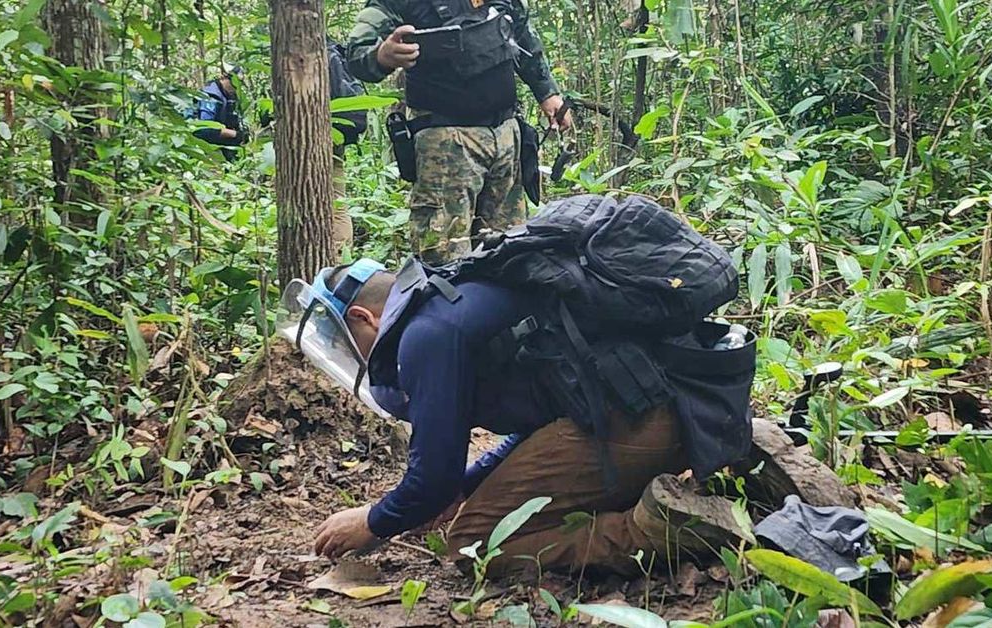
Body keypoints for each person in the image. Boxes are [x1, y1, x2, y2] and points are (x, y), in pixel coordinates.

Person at [308, 258, 756, 577]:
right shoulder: (456, 298)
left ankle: (662, 529)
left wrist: (373, 521)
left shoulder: (425, 337)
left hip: (639, 419)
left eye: (345, 341)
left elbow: (432, 481)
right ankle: (715, 469)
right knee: (487, 507)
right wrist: (469, 485)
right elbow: (539, 416)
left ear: (362, 317)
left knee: (476, 543)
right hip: (682, 404)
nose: (353, 355)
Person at [346, 0, 573, 264]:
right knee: (443, 259)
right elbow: (356, 53)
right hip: (446, 143)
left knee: (510, 251)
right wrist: (382, 56)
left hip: (506, 136)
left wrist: (547, 93)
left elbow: (521, 35)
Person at [327, 39, 369, 257]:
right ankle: (341, 256)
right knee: (337, 204)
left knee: (335, 205)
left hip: (325, 136)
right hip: (338, 137)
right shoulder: (335, 53)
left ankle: (338, 257)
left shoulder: (321, 56)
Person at [188, 65, 247, 161]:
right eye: (234, 83)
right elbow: (203, 130)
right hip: (200, 145)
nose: (236, 88)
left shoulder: (228, 97)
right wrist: (235, 134)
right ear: (224, 78)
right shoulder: (210, 97)